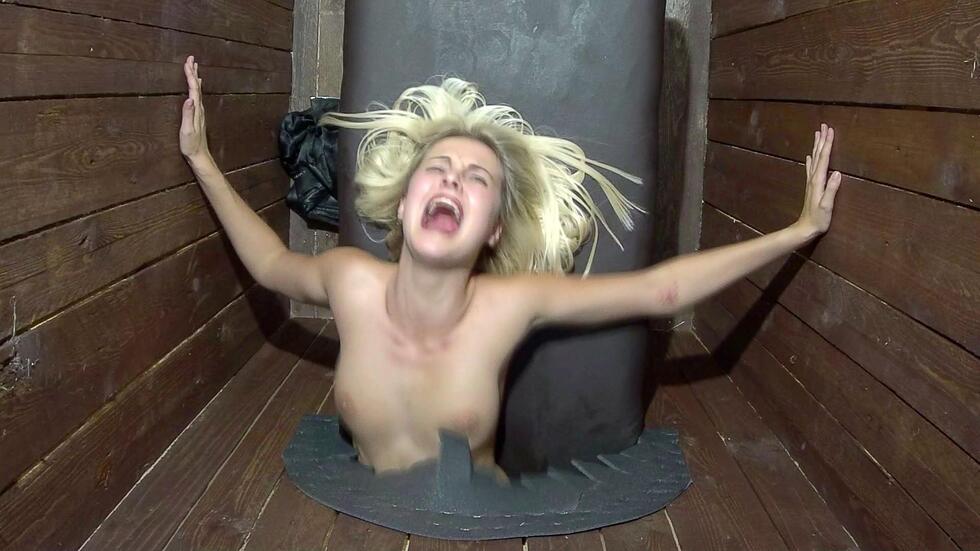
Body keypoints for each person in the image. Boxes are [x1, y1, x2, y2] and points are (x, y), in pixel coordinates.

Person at [179, 56, 841, 481]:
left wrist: (797, 230)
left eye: (477, 179)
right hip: (366, 516)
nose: (452, 179)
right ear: (405, 202)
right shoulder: (350, 280)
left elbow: (659, 290)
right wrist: (203, 160)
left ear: (493, 228)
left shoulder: (510, 304)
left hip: (482, 526)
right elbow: (270, 263)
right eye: (437, 168)